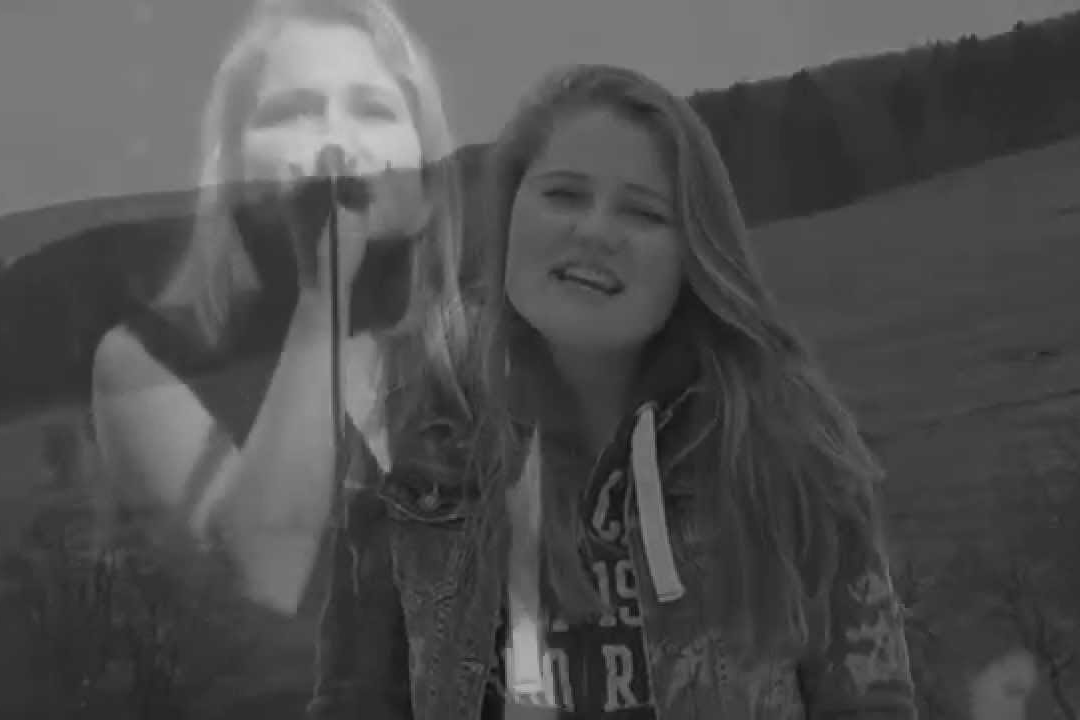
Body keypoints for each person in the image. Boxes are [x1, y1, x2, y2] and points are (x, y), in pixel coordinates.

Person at [311, 63, 917, 719]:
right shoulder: (415, 444)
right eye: (564, 195)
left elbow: (872, 704)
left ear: (693, 254)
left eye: (644, 213)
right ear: (510, 213)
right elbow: (355, 702)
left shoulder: (785, 445)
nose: (597, 232)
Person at [90, 0, 468, 619]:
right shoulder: (147, 361)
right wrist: (323, 299)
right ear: (232, 172)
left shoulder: (483, 356)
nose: (334, 143)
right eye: (293, 113)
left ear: (427, 183)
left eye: (373, 110)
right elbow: (259, 591)